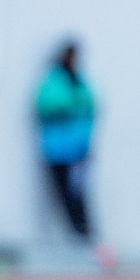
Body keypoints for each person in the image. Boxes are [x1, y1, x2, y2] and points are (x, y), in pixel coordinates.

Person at [36, 41, 98, 241]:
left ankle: (85, 232)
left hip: (79, 150)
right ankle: (76, 233)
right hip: (57, 151)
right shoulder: (54, 80)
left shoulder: (79, 80)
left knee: (78, 193)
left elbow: (91, 105)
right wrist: (72, 104)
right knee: (63, 193)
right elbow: (47, 105)